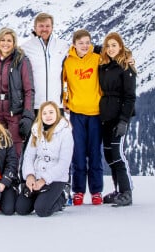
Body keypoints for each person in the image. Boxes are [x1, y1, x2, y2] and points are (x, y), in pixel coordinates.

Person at [62, 29, 103, 206]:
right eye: (81, 43)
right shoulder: (68, 62)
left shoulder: (97, 58)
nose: (85, 46)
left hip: (95, 112)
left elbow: (117, 56)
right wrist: (65, 101)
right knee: (78, 153)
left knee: (94, 153)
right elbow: (64, 83)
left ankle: (96, 191)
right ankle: (78, 191)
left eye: (87, 42)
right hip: (76, 113)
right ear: (74, 44)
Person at [15, 101, 73, 217]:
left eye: (51, 112)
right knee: (21, 209)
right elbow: (29, 156)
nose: (48, 116)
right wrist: (30, 176)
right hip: (37, 174)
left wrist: (43, 180)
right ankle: (40, 195)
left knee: (42, 210)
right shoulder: (36, 130)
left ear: (57, 113)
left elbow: (64, 164)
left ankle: (62, 196)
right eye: (44, 113)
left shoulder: (65, 132)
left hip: (55, 178)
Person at [99, 32, 136, 207]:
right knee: (109, 155)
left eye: (114, 45)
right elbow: (94, 48)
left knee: (117, 154)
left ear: (121, 46)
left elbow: (130, 97)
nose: (111, 48)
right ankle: (118, 190)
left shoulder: (125, 67)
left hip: (118, 117)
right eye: (108, 45)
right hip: (105, 117)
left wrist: (124, 120)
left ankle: (127, 192)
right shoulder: (105, 64)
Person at [0, 27, 35, 158]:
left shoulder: (21, 60)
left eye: (9, 40)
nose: (5, 43)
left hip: (14, 110)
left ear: (14, 43)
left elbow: (29, 90)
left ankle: (13, 177)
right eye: (2, 40)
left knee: (14, 148)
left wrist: (28, 115)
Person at [21, 13, 69, 114]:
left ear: (52, 27)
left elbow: (80, 52)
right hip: (35, 105)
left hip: (56, 104)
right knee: (35, 130)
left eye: (47, 26)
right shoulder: (25, 48)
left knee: (58, 130)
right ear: (35, 28)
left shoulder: (63, 46)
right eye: (41, 26)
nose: (44, 29)